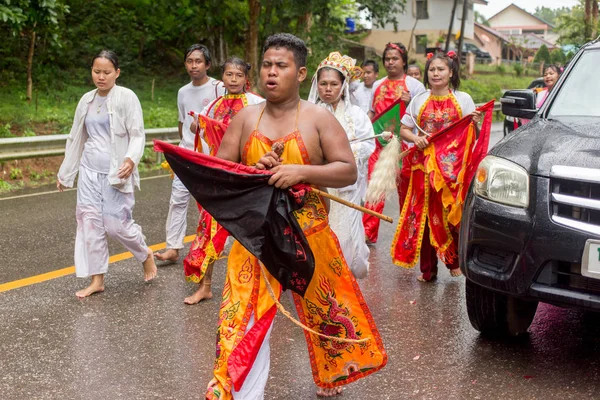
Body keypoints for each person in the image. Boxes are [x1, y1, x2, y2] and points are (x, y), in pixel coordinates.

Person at [206, 33, 386, 400]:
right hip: (257, 239)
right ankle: (237, 392)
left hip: (309, 233)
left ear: (301, 73)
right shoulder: (244, 118)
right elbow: (221, 172)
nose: (271, 73)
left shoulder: (318, 118)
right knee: (241, 320)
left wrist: (301, 172)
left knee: (328, 313)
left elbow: (347, 170)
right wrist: (255, 170)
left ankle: (333, 374)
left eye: (281, 66)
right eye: (267, 65)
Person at [56, 50, 157, 298]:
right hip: (89, 171)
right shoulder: (86, 100)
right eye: (96, 71)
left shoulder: (126, 97)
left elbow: (137, 134)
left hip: (115, 172)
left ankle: (145, 253)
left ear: (117, 73)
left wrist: (131, 159)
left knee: (115, 225)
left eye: (106, 72)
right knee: (89, 223)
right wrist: (66, 172)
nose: (101, 77)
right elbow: (76, 137)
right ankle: (97, 279)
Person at [392, 51, 481, 282]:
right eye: (432, 70)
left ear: (451, 73)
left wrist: (477, 124)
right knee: (423, 217)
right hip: (423, 167)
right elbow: (404, 129)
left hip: (452, 171)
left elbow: (474, 133)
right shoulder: (418, 100)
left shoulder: (464, 99)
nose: (436, 73)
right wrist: (415, 139)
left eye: (441, 69)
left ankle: (454, 260)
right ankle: (427, 270)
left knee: (452, 214)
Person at [183, 57, 264, 305]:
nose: (233, 80)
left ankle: (262, 284)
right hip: (221, 175)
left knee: (257, 231)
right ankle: (205, 286)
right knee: (207, 230)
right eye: (229, 75)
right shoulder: (213, 106)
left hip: (248, 176)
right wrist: (199, 125)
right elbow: (202, 135)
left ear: (246, 78)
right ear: (223, 77)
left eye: (238, 75)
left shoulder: (257, 103)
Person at [154, 44, 225, 264]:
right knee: (177, 200)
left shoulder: (219, 88)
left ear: (208, 64)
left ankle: (218, 242)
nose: (193, 65)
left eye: (198, 61)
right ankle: (173, 247)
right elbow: (181, 122)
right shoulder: (183, 92)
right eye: (190, 61)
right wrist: (184, 144)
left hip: (212, 156)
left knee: (214, 202)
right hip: (187, 154)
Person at [307, 52, 374, 278]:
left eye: (333, 84)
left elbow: (367, 145)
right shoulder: (308, 114)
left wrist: (339, 158)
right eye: (323, 83)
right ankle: (320, 277)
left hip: (346, 187)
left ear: (343, 85)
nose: (328, 89)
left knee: (345, 234)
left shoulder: (356, 115)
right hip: (318, 186)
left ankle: (342, 278)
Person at [363, 42, 425, 245]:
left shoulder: (415, 86)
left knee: (406, 194)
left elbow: (422, 117)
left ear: (404, 61)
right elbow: (372, 114)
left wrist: (408, 104)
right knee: (375, 189)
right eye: (387, 59)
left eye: (395, 58)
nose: (390, 62)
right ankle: (367, 232)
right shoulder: (377, 84)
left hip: (404, 148)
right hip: (378, 146)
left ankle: (409, 237)